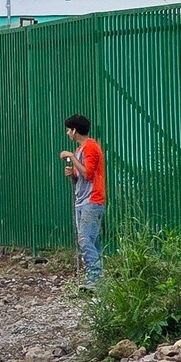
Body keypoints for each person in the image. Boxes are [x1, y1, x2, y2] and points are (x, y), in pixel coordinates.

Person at [61, 113, 106, 281]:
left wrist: (72, 158)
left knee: (85, 240)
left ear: (74, 130)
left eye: (68, 130)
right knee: (92, 242)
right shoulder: (80, 149)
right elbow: (80, 176)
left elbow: (88, 174)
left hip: (92, 200)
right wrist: (71, 173)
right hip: (82, 200)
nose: (67, 134)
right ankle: (96, 277)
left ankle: (94, 278)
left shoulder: (90, 147)